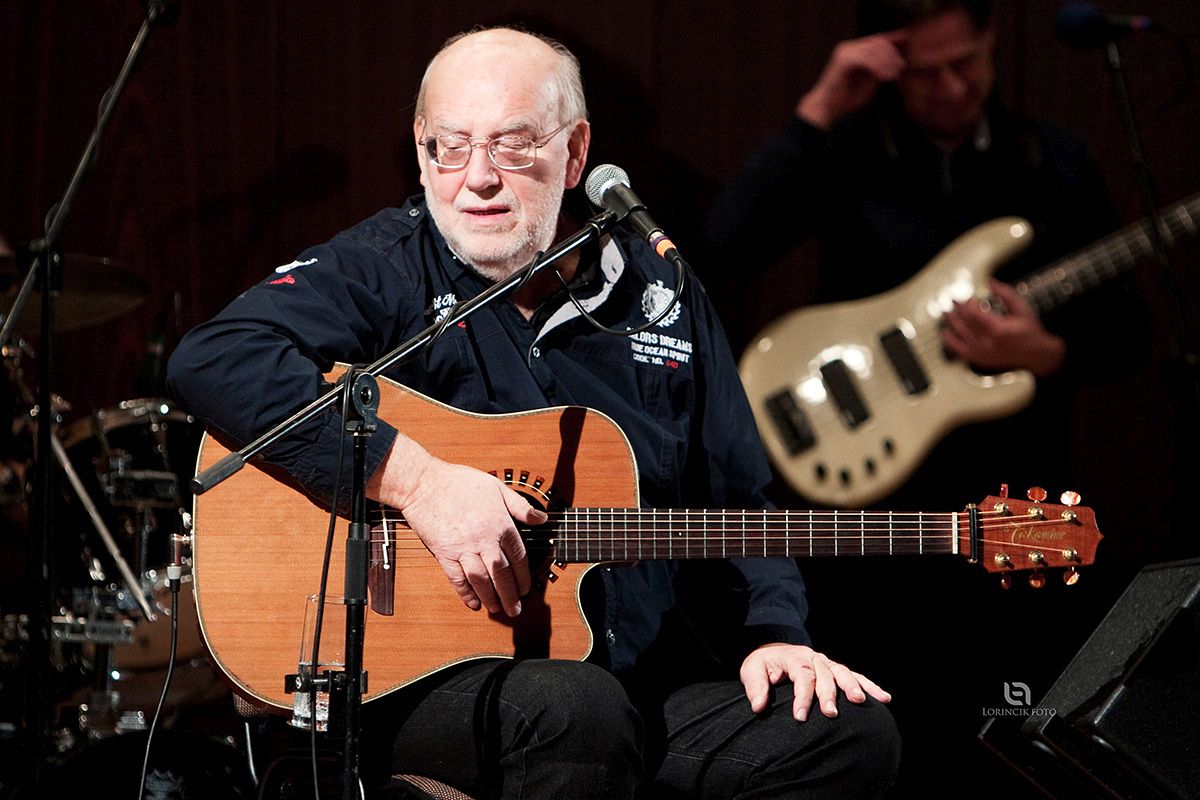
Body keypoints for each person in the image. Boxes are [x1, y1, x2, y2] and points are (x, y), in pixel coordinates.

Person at [167, 26, 899, 799]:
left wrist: (774, 635)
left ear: (576, 152)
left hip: (636, 678)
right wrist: (420, 483)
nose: (477, 178)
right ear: (421, 151)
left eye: (512, 145)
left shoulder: (663, 292)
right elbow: (214, 358)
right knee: (576, 710)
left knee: (847, 734)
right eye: (450, 147)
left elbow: (737, 499)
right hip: (419, 684)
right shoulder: (384, 268)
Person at [704, 1, 1149, 796]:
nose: (949, 88)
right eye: (924, 72)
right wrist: (818, 108)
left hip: (1012, 512)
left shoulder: (1053, 160)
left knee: (1008, 746)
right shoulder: (848, 150)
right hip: (872, 527)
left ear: (991, 39)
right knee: (880, 741)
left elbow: (1131, 336)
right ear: (888, 65)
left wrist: (1041, 353)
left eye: (964, 62)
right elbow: (721, 245)